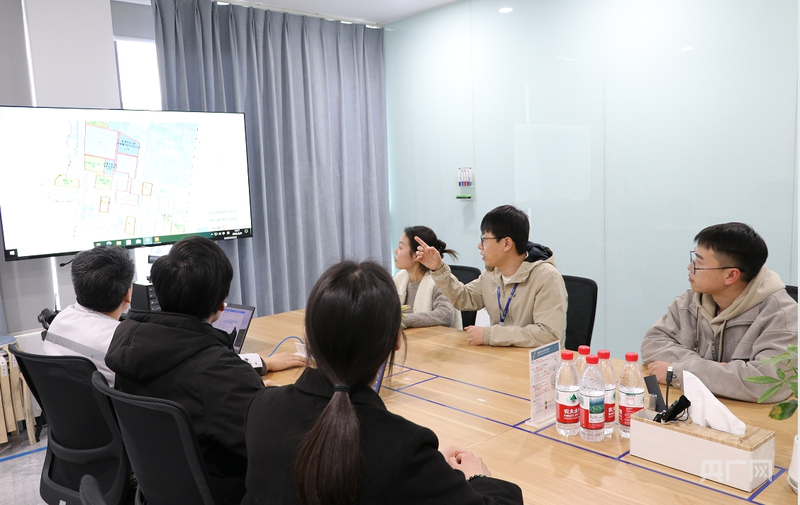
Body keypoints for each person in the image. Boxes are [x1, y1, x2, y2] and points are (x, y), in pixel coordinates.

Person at [242, 261, 523, 505]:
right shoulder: (406, 449)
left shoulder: (261, 408)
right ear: (396, 340)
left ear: (308, 333)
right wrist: (477, 477)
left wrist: (429, 467)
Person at [105, 236, 305, 505]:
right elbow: (274, 445)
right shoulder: (218, 373)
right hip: (224, 493)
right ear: (221, 304)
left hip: (161, 492)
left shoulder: (128, 344)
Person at [641, 222, 797, 402]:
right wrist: (707, 369)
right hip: (696, 405)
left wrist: (680, 372)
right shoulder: (690, 300)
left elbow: (769, 383)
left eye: (699, 263)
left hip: (749, 414)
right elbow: (653, 343)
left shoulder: (782, 314)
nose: (690, 267)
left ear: (731, 275)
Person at [415, 205, 567, 347]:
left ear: (506, 243)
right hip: (501, 355)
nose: (479, 246)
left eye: (484, 239)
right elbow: (464, 298)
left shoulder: (547, 277)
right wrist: (438, 268)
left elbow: (549, 335)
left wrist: (489, 335)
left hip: (535, 362)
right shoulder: (493, 273)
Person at [42, 246, 134, 387]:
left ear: (76, 291)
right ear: (127, 295)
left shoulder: (59, 320)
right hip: (109, 401)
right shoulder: (122, 342)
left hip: (63, 399)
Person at [393, 226, 461, 329]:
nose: (395, 251)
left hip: (434, 338)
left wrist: (402, 320)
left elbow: (446, 315)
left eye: (400, 247)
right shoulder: (399, 279)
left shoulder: (439, 281)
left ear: (416, 255)